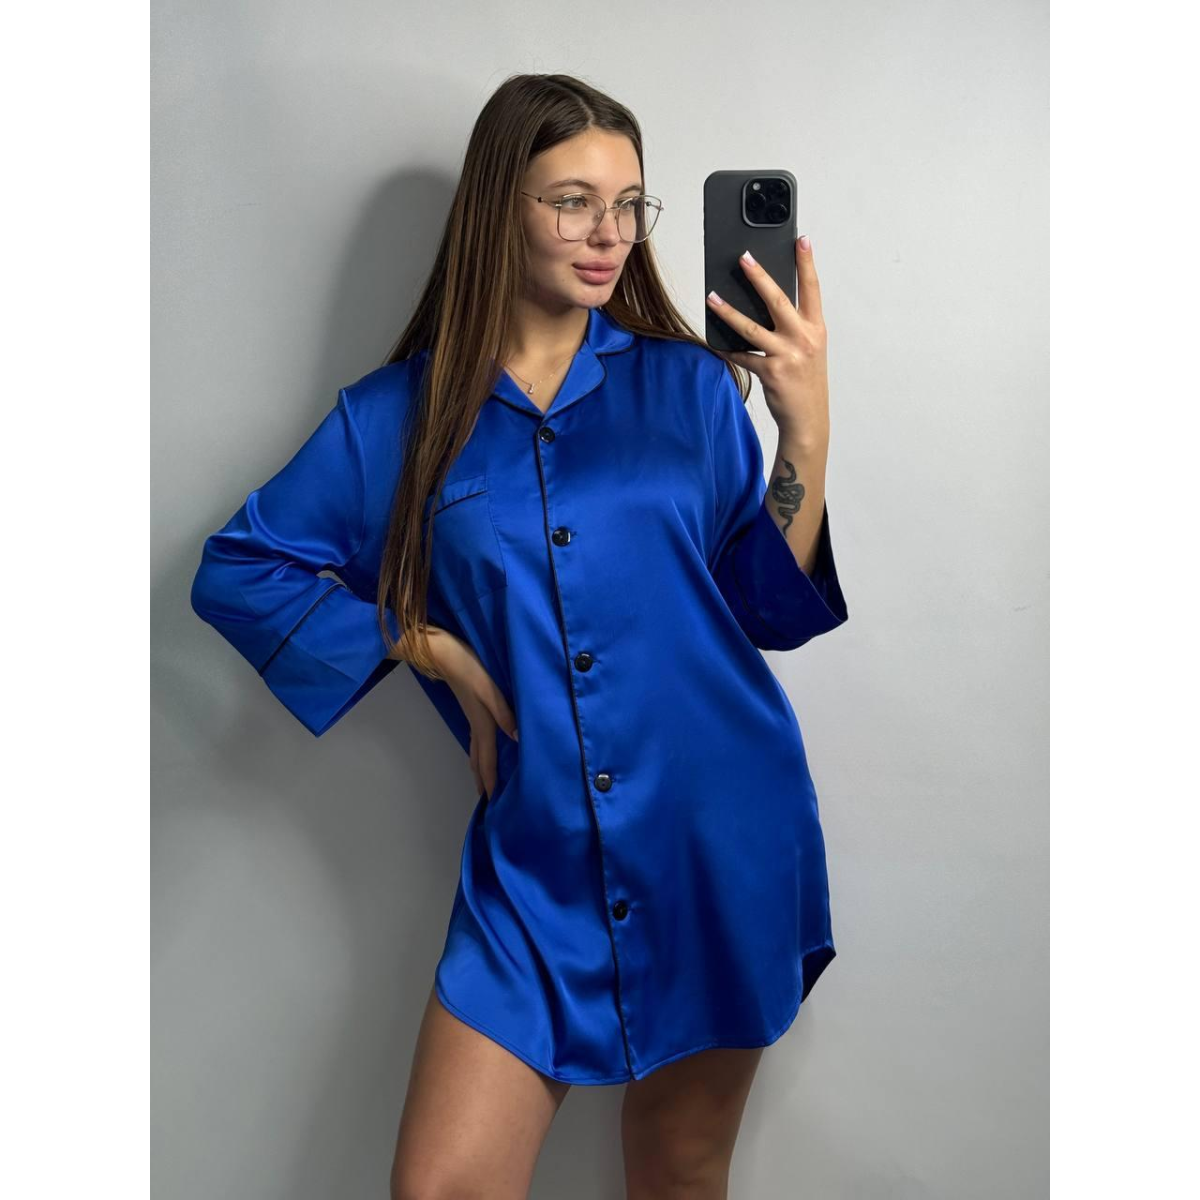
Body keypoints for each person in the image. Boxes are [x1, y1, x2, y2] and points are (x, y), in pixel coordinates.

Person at [190, 72, 849, 1200]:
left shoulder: (692, 389)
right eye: (573, 201)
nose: (609, 235)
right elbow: (240, 569)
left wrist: (805, 428)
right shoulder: (392, 420)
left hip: (719, 830)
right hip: (536, 858)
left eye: (628, 204)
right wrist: (424, 644)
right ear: (500, 205)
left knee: (680, 1175)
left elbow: (762, 608)